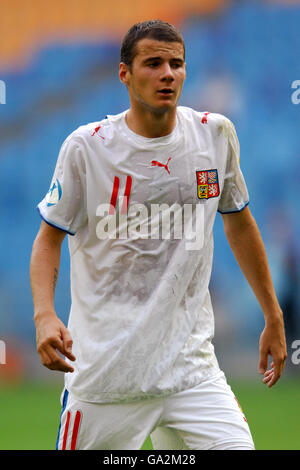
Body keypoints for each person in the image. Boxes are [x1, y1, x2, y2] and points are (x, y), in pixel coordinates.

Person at [30, 20, 287, 451]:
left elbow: (238, 220)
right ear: (124, 74)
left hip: (191, 374)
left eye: (176, 63)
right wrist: (43, 314)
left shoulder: (214, 136)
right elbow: (48, 238)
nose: (167, 73)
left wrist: (273, 314)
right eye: (153, 63)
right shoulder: (86, 148)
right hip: (106, 380)